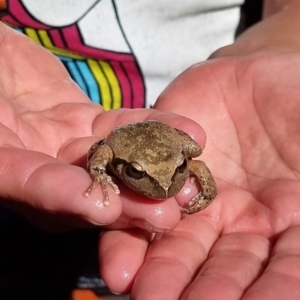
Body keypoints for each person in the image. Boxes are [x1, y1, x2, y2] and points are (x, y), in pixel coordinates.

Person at [1, 1, 300, 299]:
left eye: (178, 172)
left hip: (173, 127)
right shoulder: (112, 152)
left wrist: (275, 44)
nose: (166, 187)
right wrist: (101, 175)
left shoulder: (181, 166)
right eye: (138, 174)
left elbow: (194, 162)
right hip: (25, 237)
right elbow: (101, 150)